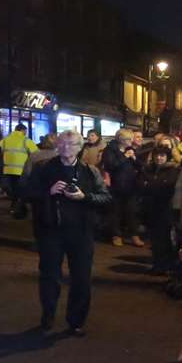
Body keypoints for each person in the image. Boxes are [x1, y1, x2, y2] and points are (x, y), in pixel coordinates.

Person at [23, 131, 111, 335]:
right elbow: (26, 193)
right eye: (62, 144)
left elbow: (106, 199)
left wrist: (84, 196)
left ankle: (76, 321)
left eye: (72, 144)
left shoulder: (90, 171)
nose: (66, 148)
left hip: (81, 233)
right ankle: (48, 316)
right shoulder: (42, 168)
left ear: (80, 147)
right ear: (56, 145)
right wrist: (48, 192)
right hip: (50, 231)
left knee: (81, 279)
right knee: (49, 277)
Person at [138, 138, 180, 272]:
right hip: (150, 208)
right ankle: (157, 264)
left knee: (164, 238)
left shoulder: (172, 170)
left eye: (162, 156)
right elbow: (140, 184)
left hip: (164, 209)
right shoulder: (148, 169)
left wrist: (151, 186)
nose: (159, 158)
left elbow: (167, 187)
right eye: (157, 155)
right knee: (154, 239)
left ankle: (165, 265)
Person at [101, 131, 142, 247]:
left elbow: (140, 165)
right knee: (116, 211)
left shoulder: (130, 149)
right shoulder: (110, 150)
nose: (130, 142)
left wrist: (134, 158)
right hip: (116, 185)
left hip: (131, 185)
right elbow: (110, 165)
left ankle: (134, 234)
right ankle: (116, 235)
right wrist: (125, 157)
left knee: (132, 211)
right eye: (128, 139)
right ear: (120, 139)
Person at [0, 122, 38, 219]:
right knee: (20, 189)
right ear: (23, 130)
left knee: (11, 189)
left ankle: (14, 205)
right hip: (21, 170)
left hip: (6, 169)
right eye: (25, 131)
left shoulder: (5, 140)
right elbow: (36, 153)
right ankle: (18, 207)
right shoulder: (26, 140)